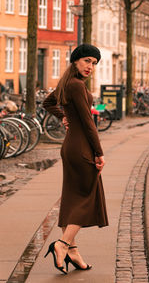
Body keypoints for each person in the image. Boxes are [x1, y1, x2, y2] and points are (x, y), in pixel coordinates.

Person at [43, 44, 109, 275]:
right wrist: (99, 153)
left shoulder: (66, 83)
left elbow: (48, 102)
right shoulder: (76, 86)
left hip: (70, 146)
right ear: (76, 61)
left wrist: (63, 117)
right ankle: (61, 245)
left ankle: (73, 251)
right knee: (87, 198)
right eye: (87, 61)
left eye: (94, 63)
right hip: (81, 148)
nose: (91, 66)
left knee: (72, 199)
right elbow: (88, 123)